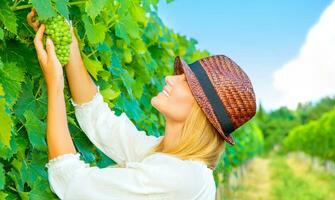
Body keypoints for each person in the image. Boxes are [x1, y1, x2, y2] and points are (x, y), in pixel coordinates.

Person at [27, 8, 256, 200]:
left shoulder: (182, 179)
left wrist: (55, 84)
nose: (170, 78)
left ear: (201, 112)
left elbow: (71, 182)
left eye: (186, 83)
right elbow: (99, 120)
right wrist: (67, 40)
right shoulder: (170, 158)